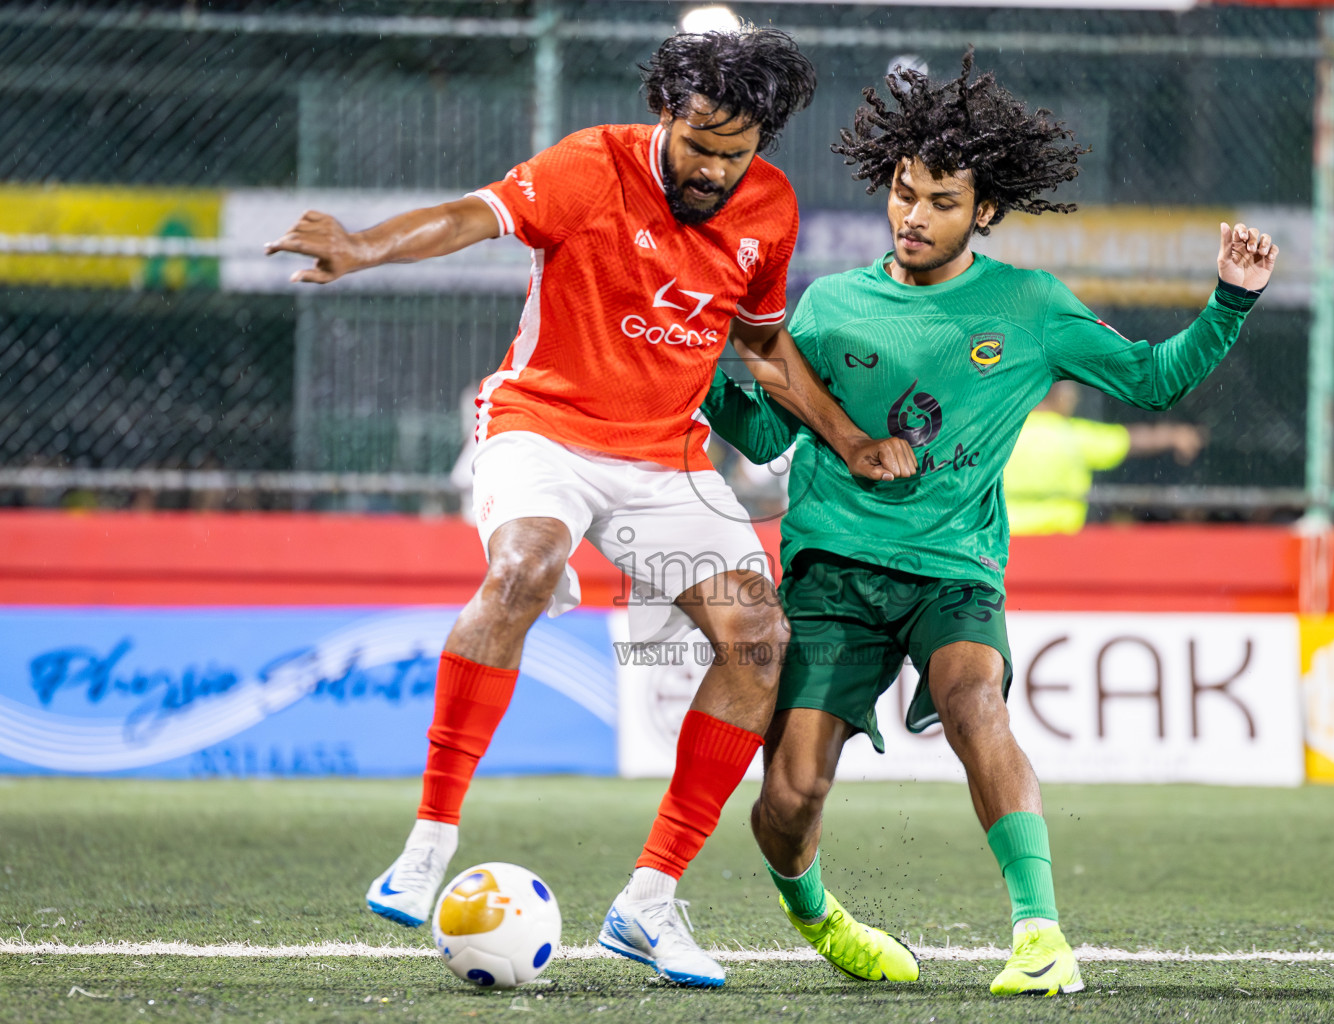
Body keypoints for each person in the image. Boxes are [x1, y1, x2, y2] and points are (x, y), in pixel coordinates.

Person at [265, 27, 914, 989]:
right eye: (700, 146)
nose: (716, 171)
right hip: (546, 424)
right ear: (667, 116)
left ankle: (648, 905)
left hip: (666, 454)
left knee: (758, 637)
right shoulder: (591, 165)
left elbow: (766, 347)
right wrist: (364, 248)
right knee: (522, 569)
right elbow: (470, 217)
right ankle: (429, 842)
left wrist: (849, 440)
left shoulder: (768, 208)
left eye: (736, 154)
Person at [699, 51, 1277, 997]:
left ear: (986, 213)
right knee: (791, 795)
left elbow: (1151, 379)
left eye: (939, 201)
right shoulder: (833, 303)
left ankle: (1041, 933)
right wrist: (702, 365)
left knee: (976, 698)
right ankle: (813, 911)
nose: (913, 216)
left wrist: (1229, 300)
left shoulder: (1031, 307)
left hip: (953, 567)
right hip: (832, 569)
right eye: (902, 192)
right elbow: (764, 429)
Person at [1003, 379, 1207, 535]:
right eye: (1072, 393)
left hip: (1009, 545)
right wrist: (1174, 435)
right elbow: (1131, 440)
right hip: (1059, 544)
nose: (1076, 399)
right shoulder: (1075, 437)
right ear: (1059, 395)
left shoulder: (1002, 437)